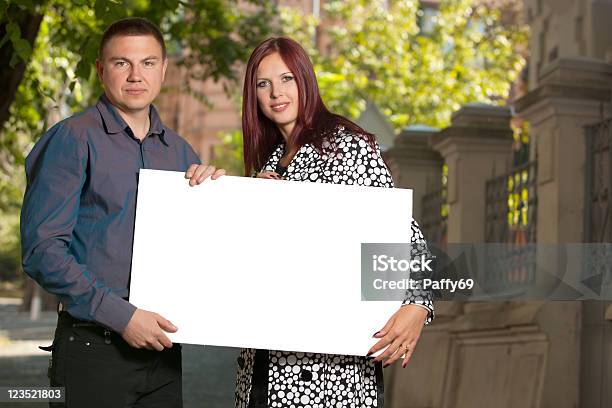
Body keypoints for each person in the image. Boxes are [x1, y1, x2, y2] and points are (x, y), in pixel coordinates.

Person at [20, 17, 223, 408]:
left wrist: (219, 195)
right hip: (93, 351)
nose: (135, 76)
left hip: (163, 356)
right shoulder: (72, 139)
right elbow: (42, 250)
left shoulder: (181, 154)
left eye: (148, 63)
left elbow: (199, 251)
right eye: (121, 63)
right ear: (101, 69)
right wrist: (121, 316)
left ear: (164, 69)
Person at [235, 37, 434, 408]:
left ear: (306, 81)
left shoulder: (345, 144)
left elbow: (403, 233)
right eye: (263, 84)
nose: (276, 92)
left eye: (287, 79)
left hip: (328, 375)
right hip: (262, 363)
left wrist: (417, 304)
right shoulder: (269, 163)